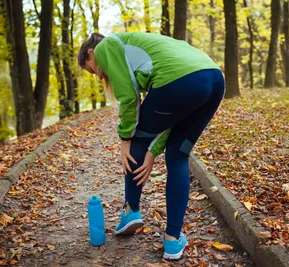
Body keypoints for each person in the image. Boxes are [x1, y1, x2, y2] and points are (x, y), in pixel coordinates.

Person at [78, 32, 225, 260]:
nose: (98, 75)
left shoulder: (104, 47)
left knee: (137, 136)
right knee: (178, 157)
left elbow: (128, 98)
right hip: (214, 80)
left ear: (90, 53)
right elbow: (171, 116)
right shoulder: (152, 51)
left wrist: (125, 139)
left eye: (92, 69)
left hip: (179, 81)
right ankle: (173, 241)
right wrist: (152, 152)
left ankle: (131, 211)